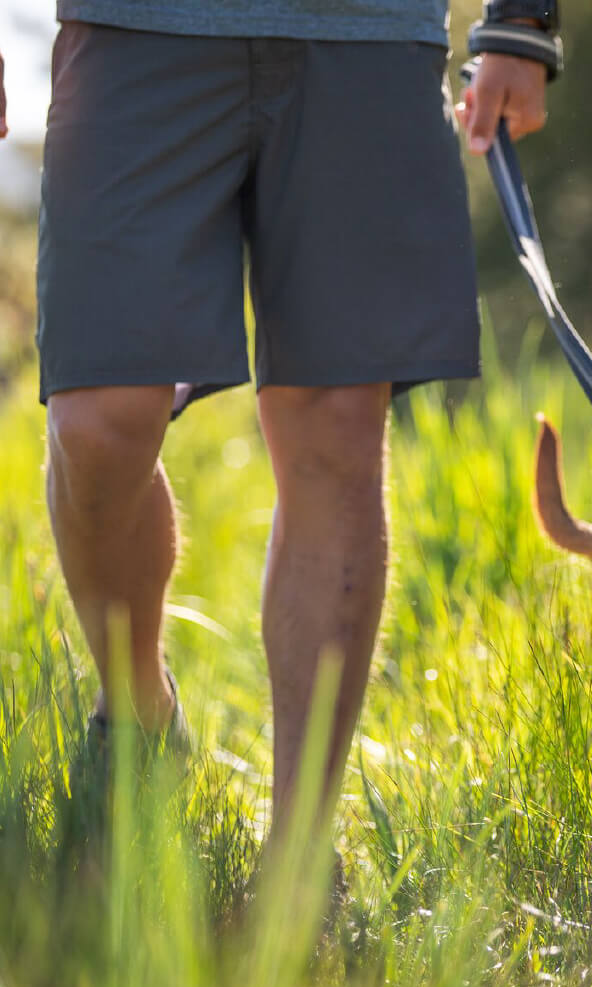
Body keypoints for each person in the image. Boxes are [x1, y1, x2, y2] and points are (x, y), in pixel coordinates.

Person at [0, 1, 560, 840]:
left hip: (368, 34)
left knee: (338, 426)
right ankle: (138, 716)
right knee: (98, 420)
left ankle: (300, 861)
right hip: (135, 29)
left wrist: (522, 18)